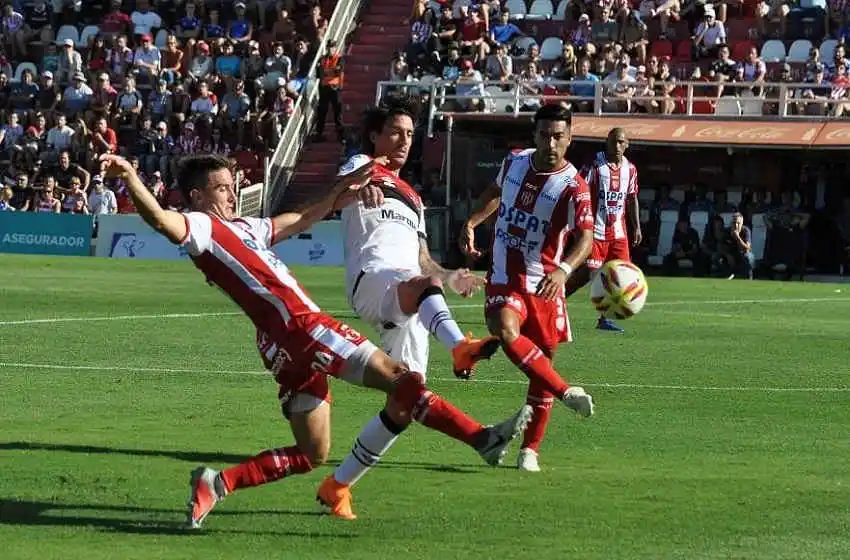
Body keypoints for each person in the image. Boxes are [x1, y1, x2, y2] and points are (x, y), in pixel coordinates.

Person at [101, 152, 531, 530]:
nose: (232, 196)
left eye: (233, 187)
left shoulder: (250, 227)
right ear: (196, 197)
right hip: (304, 328)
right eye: (222, 189)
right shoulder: (200, 227)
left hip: (281, 344)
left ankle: (217, 482)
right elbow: (160, 219)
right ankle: (482, 439)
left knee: (313, 452)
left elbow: (306, 216)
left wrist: (346, 187)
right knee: (402, 380)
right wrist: (130, 176)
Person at [318, 94, 506, 518]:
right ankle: (460, 347)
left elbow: (424, 263)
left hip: (413, 292)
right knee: (420, 287)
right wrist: (359, 188)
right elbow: (336, 194)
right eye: (395, 133)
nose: (404, 141)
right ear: (375, 135)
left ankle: (337, 486)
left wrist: (450, 276)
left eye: (409, 135)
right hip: (374, 280)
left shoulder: (416, 199)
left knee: (406, 398)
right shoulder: (359, 166)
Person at [459, 104, 596, 473]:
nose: (550, 143)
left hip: (545, 285)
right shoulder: (515, 162)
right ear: (534, 136)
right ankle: (567, 392)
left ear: (569, 139)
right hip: (504, 275)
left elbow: (586, 238)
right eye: (544, 135)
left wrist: (565, 270)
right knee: (506, 329)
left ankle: (529, 450)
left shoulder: (574, 187)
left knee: (540, 372)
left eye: (558, 136)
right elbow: (494, 192)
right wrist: (473, 221)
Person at [562, 127, 642, 333]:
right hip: (595, 231)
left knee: (620, 276)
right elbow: (576, 188)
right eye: (613, 141)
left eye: (621, 142)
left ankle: (605, 318)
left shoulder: (630, 170)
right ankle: (555, 301)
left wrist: (637, 226)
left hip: (618, 234)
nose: (616, 146)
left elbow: (632, 198)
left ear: (627, 145)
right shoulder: (594, 165)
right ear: (607, 142)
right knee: (588, 273)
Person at [315, 40, 344, 142]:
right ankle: (319, 133)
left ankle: (340, 135)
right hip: (324, 88)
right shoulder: (322, 59)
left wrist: (327, 70)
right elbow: (319, 73)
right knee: (322, 110)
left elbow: (338, 71)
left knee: (337, 111)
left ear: (336, 48)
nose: (330, 49)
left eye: (332, 47)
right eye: (328, 47)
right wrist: (330, 70)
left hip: (335, 87)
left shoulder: (340, 58)